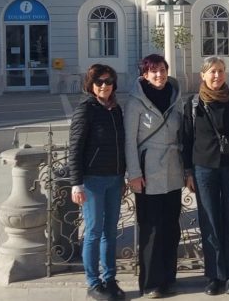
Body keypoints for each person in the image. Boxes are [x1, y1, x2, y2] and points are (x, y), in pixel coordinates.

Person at [183, 57, 229, 295]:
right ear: (203, 75)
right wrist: (187, 172)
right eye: (212, 72)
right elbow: (186, 140)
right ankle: (214, 274)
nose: (217, 76)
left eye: (220, 71)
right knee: (209, 221)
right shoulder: (193, 104)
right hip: (204, 168)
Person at [125, 54, 185, 299]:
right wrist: (134, 174)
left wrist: (186, 170)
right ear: (144, 75)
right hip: (147, 174)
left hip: (172, 172)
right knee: (151, 229)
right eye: (153, 71)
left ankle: (168, 278)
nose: (159, 75)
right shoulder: (135, 103)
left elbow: (182, 135)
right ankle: (150, 282)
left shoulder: (175, 97)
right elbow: (129, 141)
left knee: (171, 228)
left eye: (162, 69)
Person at [69, 64, 127, 301]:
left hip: (114, 178)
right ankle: (93, 282)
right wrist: (76, 183)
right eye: (99, 82)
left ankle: (110, 278)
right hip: (93, 180)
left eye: (109, 81)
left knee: (110, 232)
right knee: (93, 231)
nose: (104, 86)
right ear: (91, 85)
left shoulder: (115, 109)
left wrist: (122, 175)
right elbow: (75, 147)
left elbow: (120, 144)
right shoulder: (86, 109)